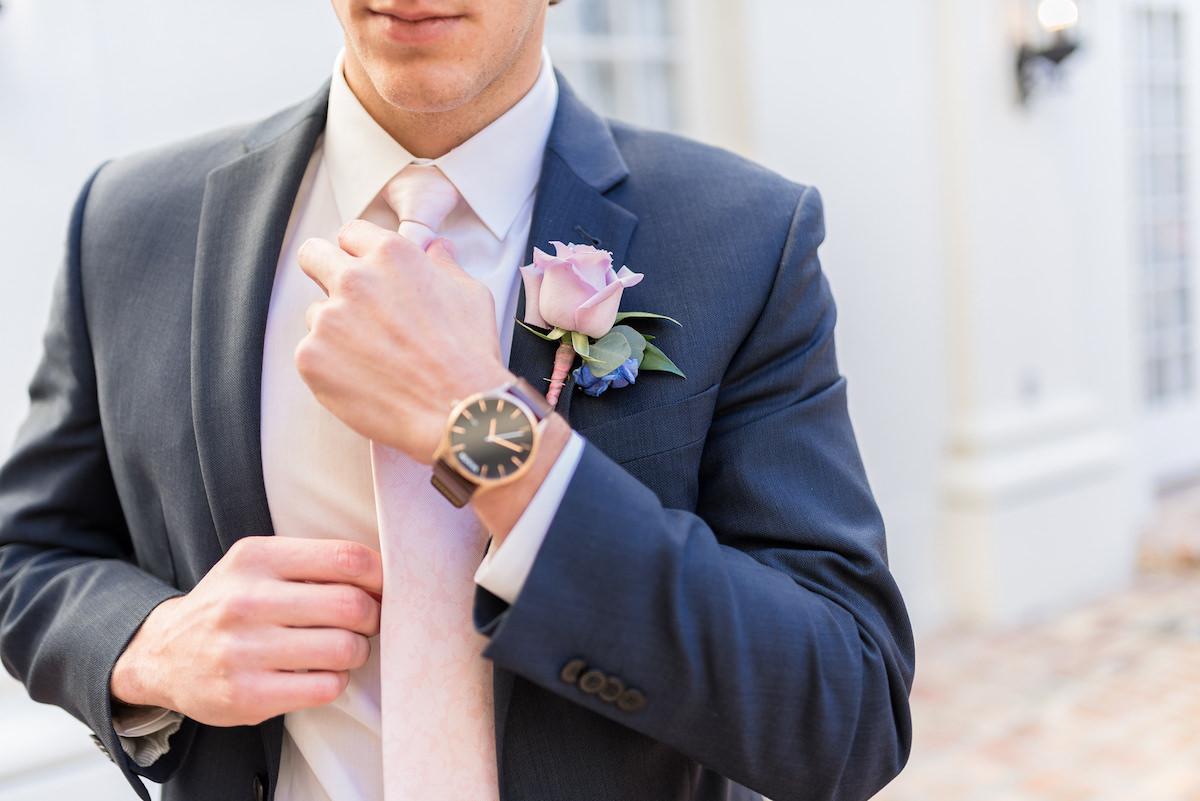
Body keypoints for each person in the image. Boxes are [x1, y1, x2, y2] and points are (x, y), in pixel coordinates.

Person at [0, 1, 915, 799]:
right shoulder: (131, 220)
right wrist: (148, 644)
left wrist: (479, 424)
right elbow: (26, 553)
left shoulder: (746, 237)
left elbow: (846, 711)